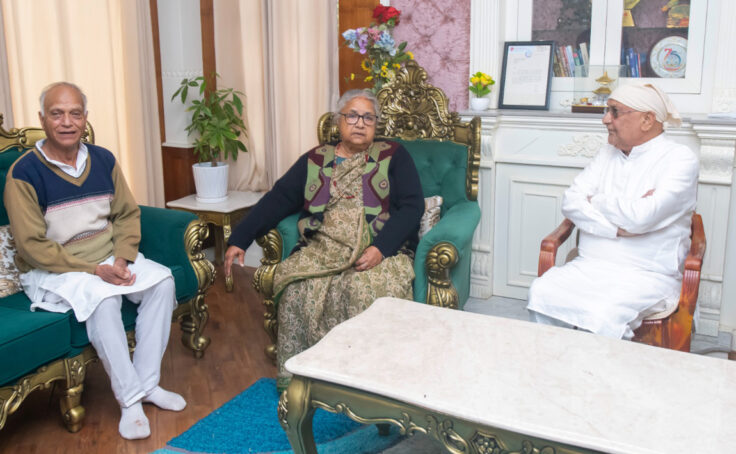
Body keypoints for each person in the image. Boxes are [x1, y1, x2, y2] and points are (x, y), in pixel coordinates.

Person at [4, 82, 185, 440]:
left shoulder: (103, 160)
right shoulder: (23, 174)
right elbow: (31, 246)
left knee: (163, 283)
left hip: (108, 258)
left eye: (75, 113)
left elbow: (127, 214)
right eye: (57, 114)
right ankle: (129, 401)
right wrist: (95, 270)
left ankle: (147, 384)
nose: (66, 122)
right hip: (56, 269)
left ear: (85, 118)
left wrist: (122, 259)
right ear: (42, 118)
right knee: (104, 300)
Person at [225, 89, 424, 390]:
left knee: (363, 291)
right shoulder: (316, 160)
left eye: (368, 117)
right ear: (338, 121)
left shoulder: (394, 155)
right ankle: (307, 380)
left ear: (376, 124)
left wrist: (381, 249)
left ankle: (370, 383)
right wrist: (240, 237)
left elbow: (412, 207)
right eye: (352, 116)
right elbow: (279, 199)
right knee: (296, 290)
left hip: (379, 250)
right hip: (322, 247)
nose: (360, 123)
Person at [527, 83, 699, 339]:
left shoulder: (680, 159)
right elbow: (571, 202)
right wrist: (617, 229)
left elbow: (641, 217)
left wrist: (595, 200)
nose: (605, 119)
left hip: (646, 275)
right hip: (589, 266)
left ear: (647, 120)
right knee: (542, 292)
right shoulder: (607, 152)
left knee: (602, 311)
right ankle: (556, 361)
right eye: (607, 111)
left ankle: (599, 366)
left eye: (615, 112)